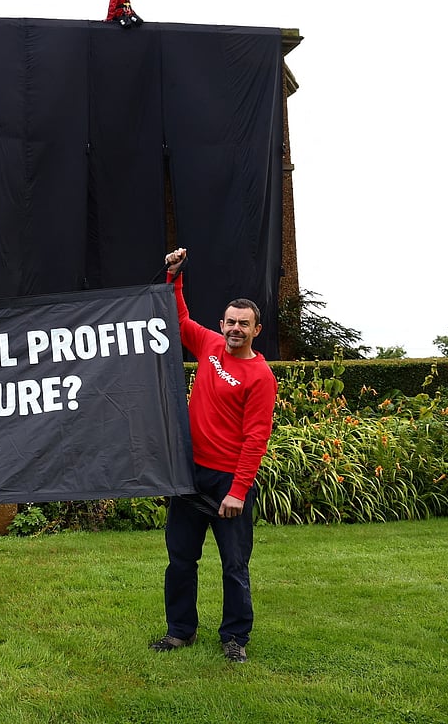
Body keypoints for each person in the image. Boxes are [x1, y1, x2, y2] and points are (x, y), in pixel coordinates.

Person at [150, 247, 277, 663]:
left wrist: (238, 491)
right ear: (221, 324)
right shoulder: (208, 346)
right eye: (230, 322)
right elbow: (180, 320)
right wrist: (174, 276)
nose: (235, 329)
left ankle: (235, 638)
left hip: (228, 483)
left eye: (244, 324)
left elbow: (255, 439)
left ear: (256, 329)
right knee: (180, 560)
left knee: (234, 566)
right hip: (189, 475)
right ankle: (180, 632)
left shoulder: (260, 376)